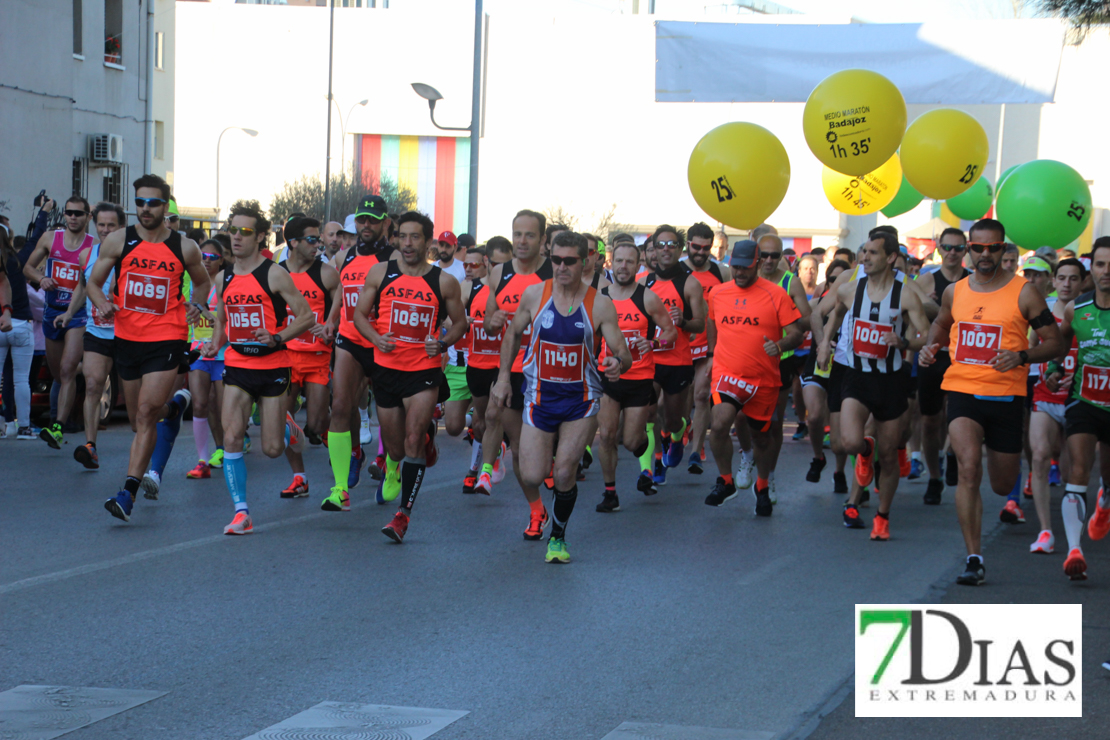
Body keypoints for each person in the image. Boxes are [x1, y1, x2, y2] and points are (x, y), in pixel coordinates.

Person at [919, 218, 1063, 585]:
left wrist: (1022, 357)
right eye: (978, 247)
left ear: (1003, 250)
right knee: (969, 467)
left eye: (993, 248)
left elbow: (1055, 342)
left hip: (1005, 397)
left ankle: (995, 485)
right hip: (963, 391)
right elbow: (941, 322)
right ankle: (974, 557)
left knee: (1001, 484)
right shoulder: (956, 291)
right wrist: (931, 346)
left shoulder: (1024, 292)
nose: (985, 255)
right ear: (969, 249)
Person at [492, 231, 631, 562]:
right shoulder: (534, 296)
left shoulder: (599, 303)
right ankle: (543, 500)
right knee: (532, 475)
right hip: (539, 398)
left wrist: (616, 363)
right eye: (556, 260)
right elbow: (512, 334)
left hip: (580, 401)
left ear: (585, 262)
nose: (562, 267)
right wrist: (502, 379)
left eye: (570, 261)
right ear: (549, 256)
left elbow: (623, 352)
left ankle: (558, 535)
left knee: (566, 471)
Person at [90, 174, 211, 522]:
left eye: (153, 203)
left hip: (167, 337)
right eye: (140, 202)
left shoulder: (183, 246)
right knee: (137, 420)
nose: (145, 209)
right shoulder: (118, 241)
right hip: (127, 338)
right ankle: (174, 409)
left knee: (144, 414)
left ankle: (127, 493)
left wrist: (196, 305)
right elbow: (95, 283)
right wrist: (102, 304)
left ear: (165, 205)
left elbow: (202, 282)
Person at [352, 211, 467, 542]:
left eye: (415, 237)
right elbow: (360, 315)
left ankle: (403, 515)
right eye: (402, 236)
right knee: (397, 449)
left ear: (428, 242)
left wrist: (441, 342)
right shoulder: (380, 272)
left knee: (412, 441)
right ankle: (424, 441)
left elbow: (461, 324)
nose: (407, 243)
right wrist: (376, 339)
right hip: (386, 368)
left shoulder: (443, 281)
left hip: (423, 370)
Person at [200, 202, 314, 534]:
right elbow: (222, 318)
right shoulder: (224, 278)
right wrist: (215, 342)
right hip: (237, 363)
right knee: (232, 437)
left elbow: (306, 317)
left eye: (244, 231)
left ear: (260, 236)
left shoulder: (274, 273)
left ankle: (288, 426)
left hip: (273, 365)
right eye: (232, 230)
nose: (236, 237)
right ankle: (241, 512)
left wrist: (277, 337)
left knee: (272, 448)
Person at [815, 231, 931, 539]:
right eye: (864, 252)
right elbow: (834, 316)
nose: (864, 258)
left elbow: (927, 335)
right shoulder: (852, 289)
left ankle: (883, 516)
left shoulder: (904, 294)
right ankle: (865, 451)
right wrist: (825, 343)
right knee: (850, 441)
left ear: (890, 258)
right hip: (857, 375)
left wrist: (905, 341)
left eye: (872, 253)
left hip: (891, 380)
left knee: (890, 454)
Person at [704, 240, 803, 515]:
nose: (740, 273)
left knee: (762, 438)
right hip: (727, 373)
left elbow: (797, 333)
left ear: (758, 264)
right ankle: (725, 481)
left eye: (746, 268)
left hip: (763, 379)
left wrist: (781, 346)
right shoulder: (718, 293)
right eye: (735, 267)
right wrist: (713, 354)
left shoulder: (776, 294)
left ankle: (762, 485)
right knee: (720, 423)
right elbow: (712, 321)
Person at [474, 211, 554, 542]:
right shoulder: (499, 273)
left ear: (542, 240)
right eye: (517, 234)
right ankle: (537, 509)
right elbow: (491, 318)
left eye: (529, 235)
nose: (522, 241)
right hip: (511, 369)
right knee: (521, 449)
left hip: (551, 373)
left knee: (555, 456)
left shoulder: (555, 272)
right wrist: (494, 322)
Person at [321, 195, 394, 511]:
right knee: (340, 406)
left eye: (373, 220)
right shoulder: (344, 257)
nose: (366, 225)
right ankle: (340, 488)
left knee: (388, 415)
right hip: (350, 339)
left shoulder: (394, 258)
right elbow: (341, 289)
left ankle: (391, 469)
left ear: (384, 223)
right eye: (362, 219)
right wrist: (331, 320)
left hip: (383, 342)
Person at [1043, 238, 1110, 580]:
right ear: (1091, 271)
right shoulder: (1076, 310)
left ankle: (1105, 500)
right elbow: (1061, 345)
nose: (1106, 272)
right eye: (1100, 265)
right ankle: (1073, 550)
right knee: (1079, 469)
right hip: (1083, 400)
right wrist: (1054, 371)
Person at [596, 241, 676, 511]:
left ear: (638, 264)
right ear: (611, 262)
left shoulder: (648, 298)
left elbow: (670, 332)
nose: (623, 266)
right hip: (608, 376)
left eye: (630, 262)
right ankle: (610, 493)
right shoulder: (601, 297)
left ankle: (650, 449)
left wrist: (652, 343)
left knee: (631, 440)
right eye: (619, 261)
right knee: (606, 435)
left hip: (640, 377)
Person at [53, 202, 126, 468]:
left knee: (139, 400)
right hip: (97, 332)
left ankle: (146, 446)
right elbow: (82, 288)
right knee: (93, 384)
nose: (106, 230)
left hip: (129, 334)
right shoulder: (87, 256)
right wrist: (69, 314)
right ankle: (91, 445)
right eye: (102, 225)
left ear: (121, 227)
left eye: (111, 225)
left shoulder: (132, 256)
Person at [24, 196, 95, 447]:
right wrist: (41, 278)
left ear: (88, 216)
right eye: (69, 213)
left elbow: (93, 283)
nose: (73, 217)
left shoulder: (92, 246)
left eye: (78, 213)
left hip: (77, 315)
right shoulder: (50, 239)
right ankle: (84, 370)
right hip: (52, 312)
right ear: (64, 215)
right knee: (59, 374)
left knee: (65, 370)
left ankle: (57, 427)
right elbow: (27, 268)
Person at [279, 217, 340, 497]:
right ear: (293, 243)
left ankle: (337, 436)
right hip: (285, 357)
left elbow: (340, 299)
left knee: (314, 425)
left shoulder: (325, 273)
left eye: (319, 239)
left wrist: (330, 324)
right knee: (283, 420)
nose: (319, 244)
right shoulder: (276, 273)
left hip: (316, 357)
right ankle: (299, 477)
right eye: (312, 239)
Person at [1027, 257, 1084, 553]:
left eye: (1073, 278)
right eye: (1061, 278)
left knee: (1074, 468)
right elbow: (1029, 349)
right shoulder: (1041, 312)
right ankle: (1045, 531)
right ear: (1053, 280)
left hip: (1080, 399)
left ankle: (1074, 524)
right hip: (1045, 394)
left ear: (1082, 282)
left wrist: (1077, 373)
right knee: (1038, 456)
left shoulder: (1089, 312)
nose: (1066, 284)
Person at [642, 225, 707, 484]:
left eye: (671, 245)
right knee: (648, 414)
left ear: (680, 249)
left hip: (678, 361)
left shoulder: (690, 283)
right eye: (661, 245)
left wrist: (683, 322)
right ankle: (655, 462)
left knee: (670, 420)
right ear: (654, 250)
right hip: (649, 360)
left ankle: (679, 435)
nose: (666, 249)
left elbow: (700, 324)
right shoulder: (644, 282)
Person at [912, 227, 969, 503]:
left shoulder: (974, 280)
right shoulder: (925, 281)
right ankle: (934, 477)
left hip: (964, 358)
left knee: (959, 416)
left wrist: (934, 308)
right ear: (938, 247)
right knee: (930, 420)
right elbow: (912, 310)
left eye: (958, 248)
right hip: (933, 355)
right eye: (947, 247)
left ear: (966, 250)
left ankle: (952, 453)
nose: (952, 253)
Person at [754, 233, 812, 503]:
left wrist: (784, 319)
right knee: (742, 418)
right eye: (763, 255)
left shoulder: (791, 282)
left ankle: (769, 475)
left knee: (773, 422)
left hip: (781, 357)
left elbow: (806, 320)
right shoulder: (743, 276)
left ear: (782, 257)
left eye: (774, 256)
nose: (768, 260)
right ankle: (746, 455)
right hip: (747, 358)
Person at [682, 222, 731, 476]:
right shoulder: (676, 270)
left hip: (708, 344)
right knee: (676, 402)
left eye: (706, 247)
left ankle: (695, 452)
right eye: (696, 247)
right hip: (678, 345)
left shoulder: (721, 272)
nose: (701, 252)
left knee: (702, 395)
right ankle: (680, 429)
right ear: (688, 244)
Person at [800, 259, 851, 486]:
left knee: (839, 431)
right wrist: (821, 343)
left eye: (843, 280)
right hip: (817, 364)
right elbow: (794, 322)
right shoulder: (817, 305)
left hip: (843, 366)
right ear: (827, 280)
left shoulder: (857, 304)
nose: (838, 285)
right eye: (833, 280)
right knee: (816, 415)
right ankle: (818, 457)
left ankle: (839, 472)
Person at [184, 237, 231, 479]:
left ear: (221, 260)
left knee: (223, 408)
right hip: (198, 351)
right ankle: (202, 460)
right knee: (200, 404)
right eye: (203, 257)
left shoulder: (226, 284)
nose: (207, 261)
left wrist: (207, 312)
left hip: (223, 353)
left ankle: (225, 449)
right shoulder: (191, 284)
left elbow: (228, 323)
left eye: (213, 257)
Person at [0, 224, 36, 440]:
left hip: (1, 322)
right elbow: (34, 239)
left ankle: (4, 426)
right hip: (20, 323)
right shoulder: (16, 261)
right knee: (21, 379)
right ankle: (23, 427)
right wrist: (42, 213)